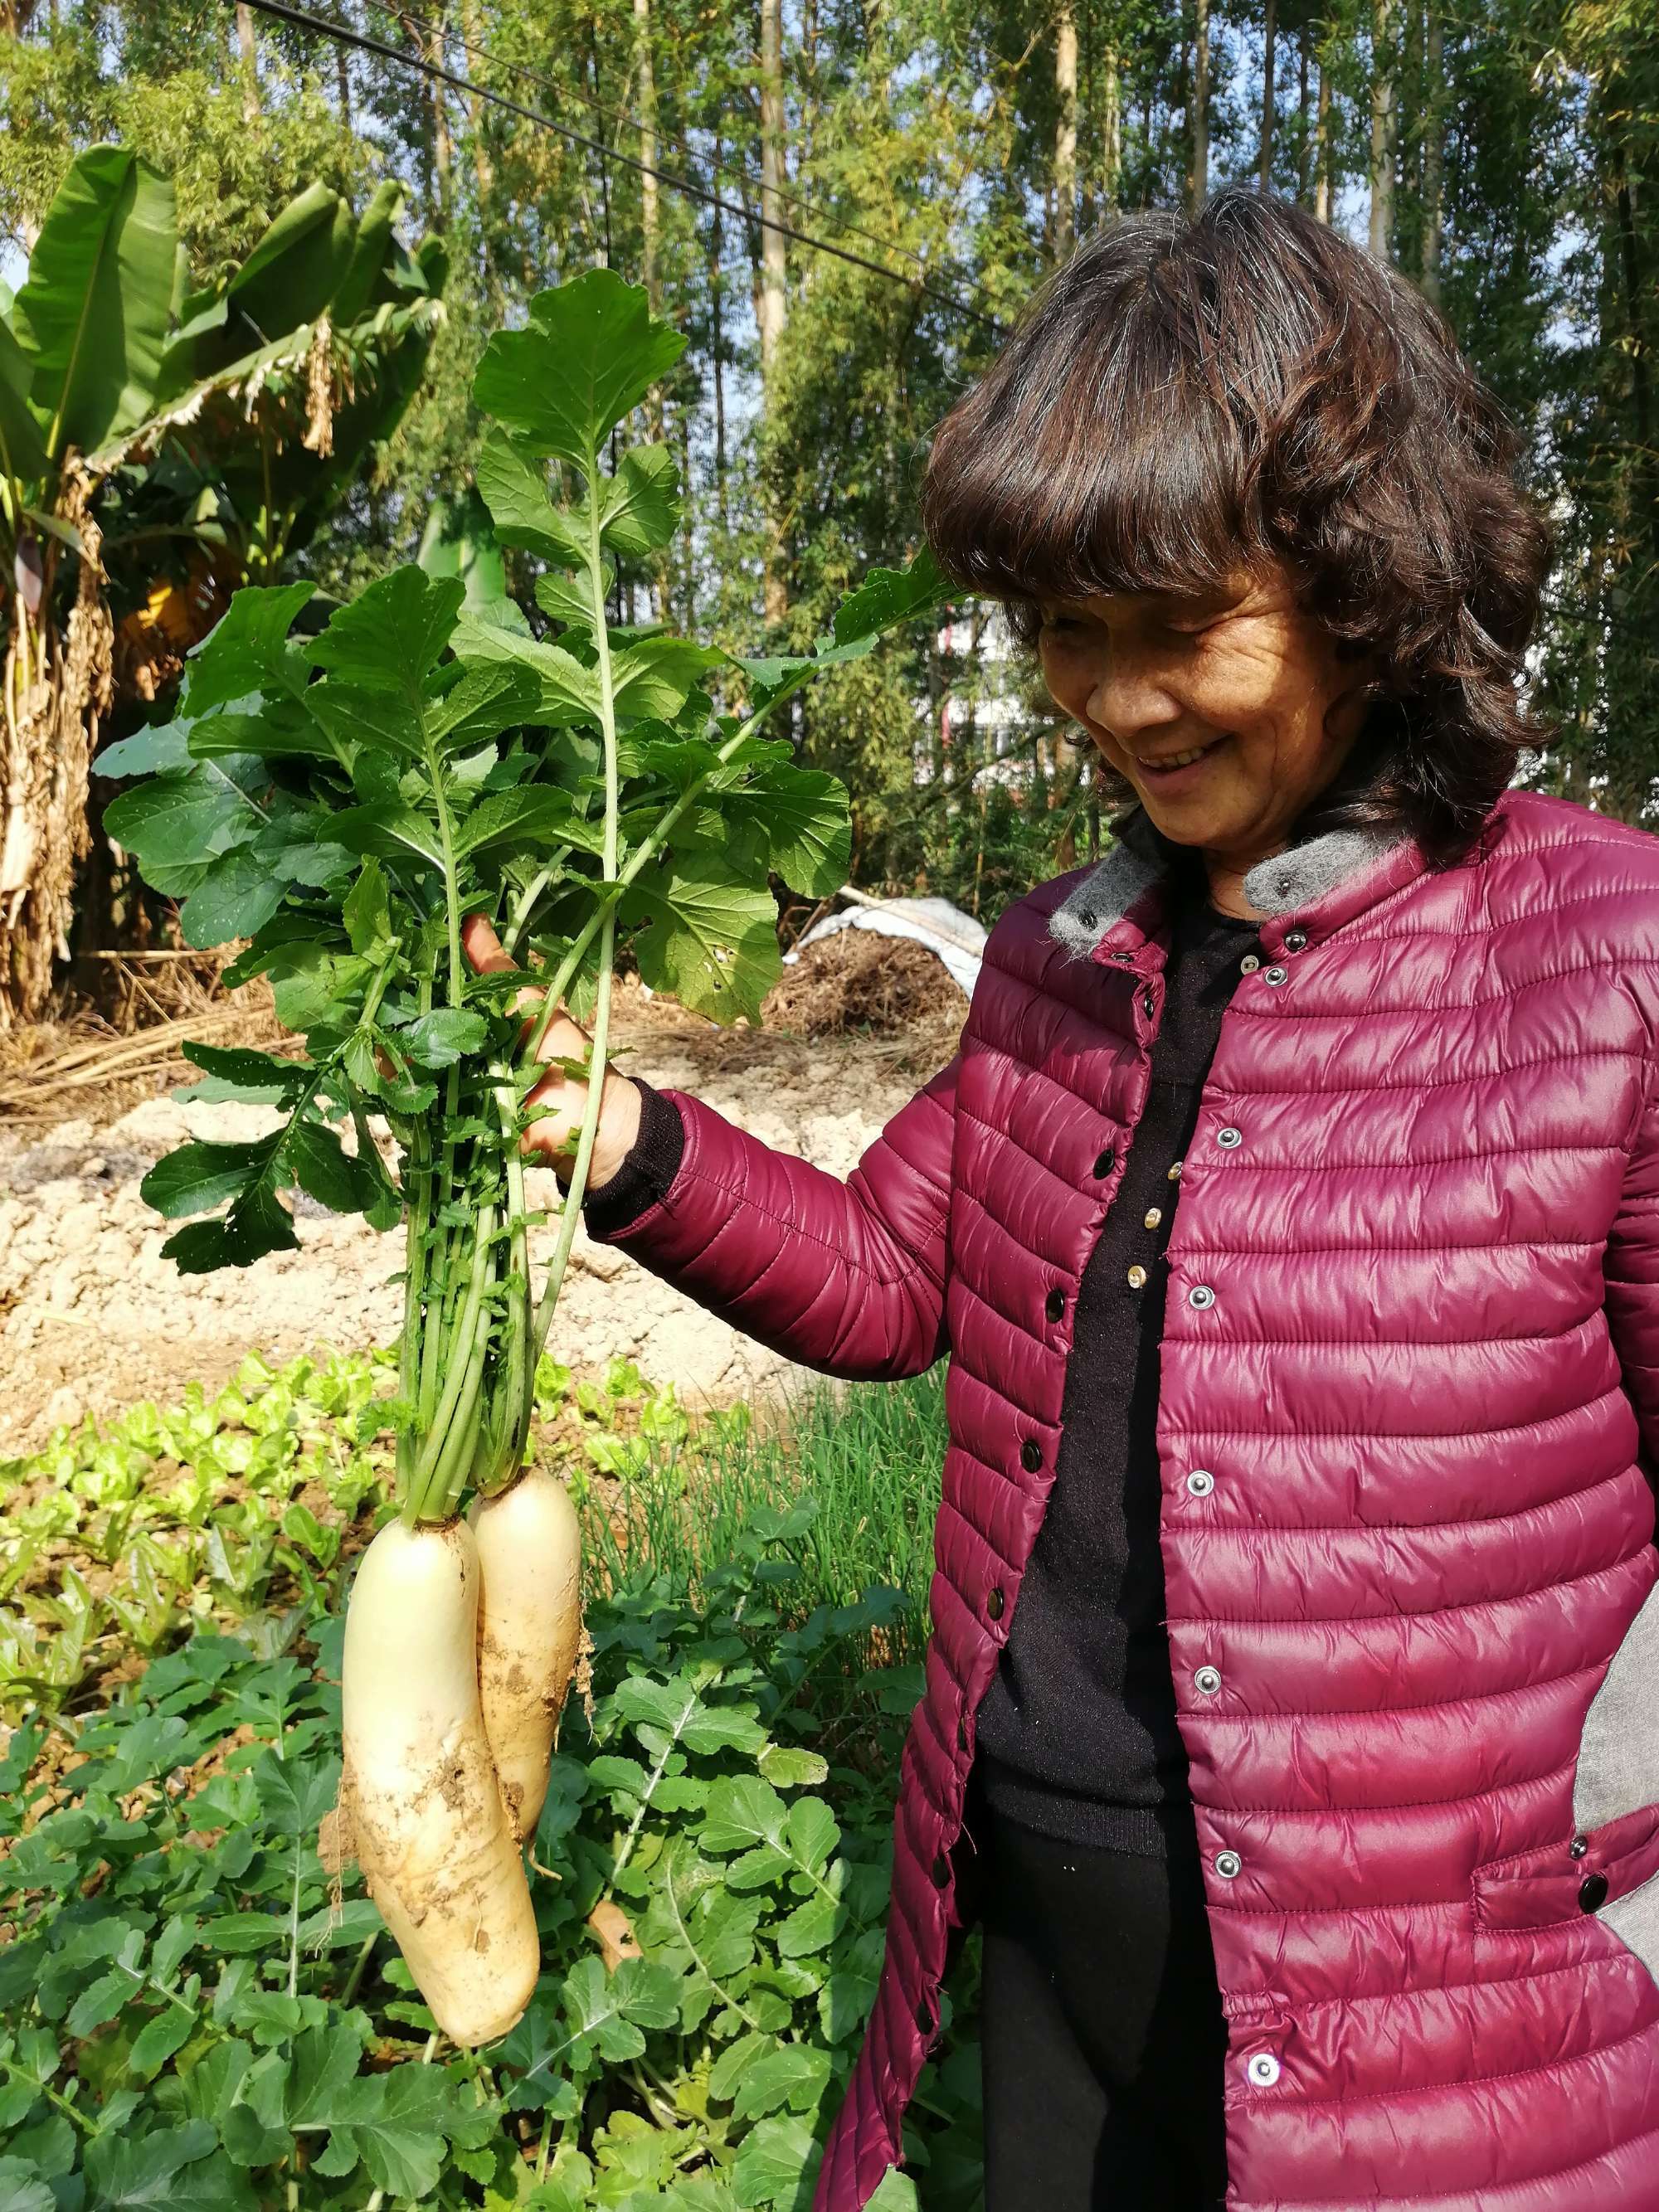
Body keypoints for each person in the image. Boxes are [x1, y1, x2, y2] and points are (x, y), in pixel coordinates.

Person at [466, 188, 1659, 2212]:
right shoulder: (1057, 951)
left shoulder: (1603, 956)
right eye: (1065, 636)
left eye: (1176, 627)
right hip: (1048, 1888)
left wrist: (1592, 1862)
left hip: (1437, 1998)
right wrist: (628, 1144)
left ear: (1362, 574)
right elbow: (887, 1279)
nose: (1111, 702)